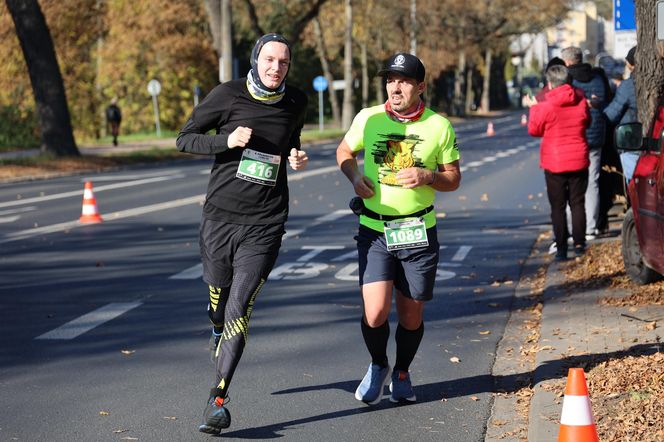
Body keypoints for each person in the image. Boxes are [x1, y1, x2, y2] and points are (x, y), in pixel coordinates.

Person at [175, 33, 308, 435]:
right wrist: (226, 140)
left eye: (283, 62)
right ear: (255, 60)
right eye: (269, 60)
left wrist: (296, 155)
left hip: (266, 223)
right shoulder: (227, 95)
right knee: (219, 303)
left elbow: (291, 141)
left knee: (240, 307)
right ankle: (215, 320)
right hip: (219, 218)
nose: (275, 68)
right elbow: (184, 138)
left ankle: (218, 398)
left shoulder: (296, 101)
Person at [336, 52, 461, 405]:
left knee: (411, 313)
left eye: (404, 80)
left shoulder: (439, 126)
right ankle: (378, 365)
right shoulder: (369, 118)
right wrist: (354, 175)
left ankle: (402, 372)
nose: (395, 86)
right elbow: (344, 150)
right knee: (374, 312)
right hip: (374, 229)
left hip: (418, 231)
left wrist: (428, 176)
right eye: (390, 79)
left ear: (420, 86)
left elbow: (453, 179)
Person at [525, 65, 591, 260]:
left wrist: (533, 109)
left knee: (558, 206)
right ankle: (580, 244)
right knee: (578, 203)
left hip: (554, 161)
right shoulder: (580, 102)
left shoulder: (544, 106)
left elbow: (534, 130)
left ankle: (561, 248)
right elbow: (587, 122)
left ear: (550, 83)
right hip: (579, 158)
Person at [561, 46, 611, 240]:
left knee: (571, 183)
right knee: (593, 181)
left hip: (574, 137)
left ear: (566, 62)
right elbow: (605, 101)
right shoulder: (598, 78)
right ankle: (591, 226)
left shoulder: (566, 81)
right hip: (596, 135)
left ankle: (573, 227)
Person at [604, 46, 639, 183]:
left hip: (632, 140)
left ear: (631, 65)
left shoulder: (628, 85)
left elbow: (612, 114)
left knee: (634, 182)